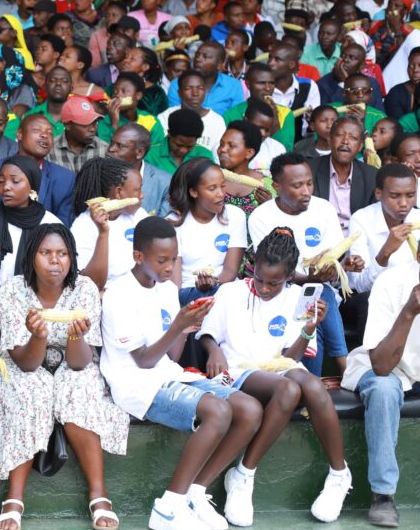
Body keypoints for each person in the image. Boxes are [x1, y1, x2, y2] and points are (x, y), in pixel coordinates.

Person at [100, 216, 263, 530]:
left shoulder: (166, 289)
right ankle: (169, 506)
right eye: (161, 260)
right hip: (135, 384)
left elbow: (172, 357)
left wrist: (187, 327)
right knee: (219, 411)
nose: (168, 267)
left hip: (167, 374)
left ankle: (195, 494)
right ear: (138, 256)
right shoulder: (118, 294)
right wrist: (178, 325)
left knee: (250, 409)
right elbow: (144, 360)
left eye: (173, 259)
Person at [198, 227, 352, 526]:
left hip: (278, 365)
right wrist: (213, 350)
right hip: (237, 369)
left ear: (290, 276)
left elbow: (291, 357)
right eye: (260, 279)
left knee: (313, 386)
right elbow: (207, 334)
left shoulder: (298, 298)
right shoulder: (230, 291)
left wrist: (309, 329)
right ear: (253, 267)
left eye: (274, 283)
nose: (265, 288)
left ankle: (339, 474)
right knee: (289, 390)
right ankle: (244, 474)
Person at [0, 224, 129, 530]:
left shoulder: (85, 289)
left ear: (72, 258)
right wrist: (38, 336)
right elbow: (26, 364)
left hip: (73, 360)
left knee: (79, 389)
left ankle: (98, 494)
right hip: (25, 359)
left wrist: (75, 336)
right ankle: (14, 499)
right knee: (29, 391)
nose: (55, 261)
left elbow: (79, 363)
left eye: (62, 254)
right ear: (31, 256)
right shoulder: (13, 290)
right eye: (46, 253)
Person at [248, 153, 357, 376]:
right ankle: (343, 366)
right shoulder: (261, 216)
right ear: (277, 187)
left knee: (317, 297)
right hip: (280, 289)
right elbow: (271, 268)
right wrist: (310, 279)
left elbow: (334, 255)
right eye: (297, 186)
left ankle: (316, 378)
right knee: (317, 294)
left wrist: (338, 266)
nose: (306, 191)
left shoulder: (323, 208)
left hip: (320, 288)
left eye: (309, 183)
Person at [341, 258, 420, 527]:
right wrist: (408, 312)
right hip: (388, 367)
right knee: (383, 390)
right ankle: (383, 495)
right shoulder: (392, 281)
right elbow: (382, 365)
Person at [0, 156, 61, 311]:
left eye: (15, 181)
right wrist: (1, 309)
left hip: (44, 306)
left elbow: (59, 277)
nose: (6, 187)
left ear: (32, 186)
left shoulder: (52, 224)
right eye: (1, 181)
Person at [168, 158, 247, 306]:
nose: (221, 194)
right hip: (188, 291)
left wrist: (214, 282)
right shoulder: (174, 223)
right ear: (194, 192)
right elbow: (174, 284)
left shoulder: (235, 215)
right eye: (212, 188)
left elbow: (230, 271)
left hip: (223, 287)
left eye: (223, 186)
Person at [0, 115, 75, 223]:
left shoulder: (65, 179)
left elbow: (62, 228)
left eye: (50, 132)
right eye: (37, 130)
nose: (45, 135)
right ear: (19, 134)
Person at [70, 157, 146, 289]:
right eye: (138, 190)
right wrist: (103, 233)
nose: (142, 195)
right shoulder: (83, 226)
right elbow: (90, 284)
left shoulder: (139, 215)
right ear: (118, 192)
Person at [348, 164, 420, 296]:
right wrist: (386, 252)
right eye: (395, 196)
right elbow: (361, 286)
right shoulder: (361, 219)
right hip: (373, 296)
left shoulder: (417, 217)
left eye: (410, 195)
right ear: (378, 194)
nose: (404, 203)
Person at [167, 42, 244, 113]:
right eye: (197, 54)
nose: (198, 59)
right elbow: (174, 116)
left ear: (219, 64)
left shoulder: (234, 86)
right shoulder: (177, 84)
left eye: (205, 56)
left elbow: (235, 118)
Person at [45, 95, 108, 175]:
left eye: (95, 123)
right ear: (68, 125)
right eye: (86, 124)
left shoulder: (104, 150)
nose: (93, 129)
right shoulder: (49, 149)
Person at [145, 108, 216, 175]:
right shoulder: (150, 154)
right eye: (178, 145)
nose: (183, 150)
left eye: (189, 146)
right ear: (169, 134)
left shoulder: (204, 156)